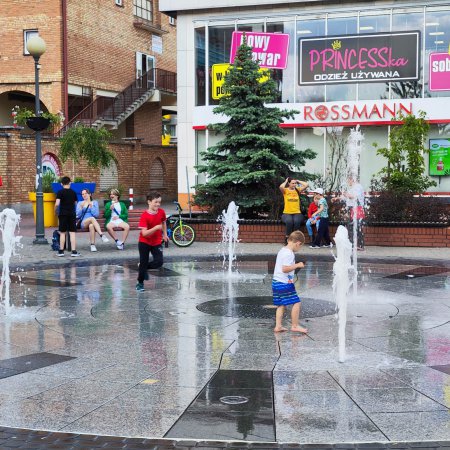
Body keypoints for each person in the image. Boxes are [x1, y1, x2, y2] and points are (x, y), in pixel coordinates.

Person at [272, 230, 308, 333]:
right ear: (298, 243)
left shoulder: (282, 250)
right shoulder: (289, 254)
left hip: (276, 282)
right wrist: (297, 265)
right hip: (284, 283)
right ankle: (295, 325)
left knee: (281, 304)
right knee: (296, 303)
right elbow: (285, 269)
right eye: (300, 246)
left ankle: (278, 326)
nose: (299, 249)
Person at [136, 191, 168, 292]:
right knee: (144, 262)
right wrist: (155, 228)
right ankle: (140, 284)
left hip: (156, 241)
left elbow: (163, 223)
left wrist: (165, 235)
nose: (158, 204)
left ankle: (142, 267)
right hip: (144, 242)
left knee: (159, 262)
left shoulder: (161, 212)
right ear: (149, 202)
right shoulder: (144, 216)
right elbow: (144, 233)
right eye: (155, 202)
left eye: (159, 202)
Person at [332, 176, 365, 250]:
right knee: (351, 227)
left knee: (357, 227)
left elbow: (354, 197)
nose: (348, 182)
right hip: (352, 209)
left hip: (357, 209)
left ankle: (360, 245)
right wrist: (337, 198)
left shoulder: (358, 187)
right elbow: (346, 197)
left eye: (348, 181)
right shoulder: (352, 187)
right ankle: (353, 244)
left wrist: (347, 195)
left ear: (352, 179)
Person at [54, 176, 81, 257]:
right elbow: (76, 204)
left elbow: (57, 204)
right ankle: (74, 251)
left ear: (61, 184)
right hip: (72, 214)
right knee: (72, 233)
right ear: (70, 183)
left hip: (63, 214)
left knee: (62, 233)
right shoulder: (73, 192)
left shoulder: (60, 192)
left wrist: (55, 211)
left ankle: (61, 251)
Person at [279, 177, 308, 243]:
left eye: (295, 183)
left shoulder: (298, 190)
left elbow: (306, 185)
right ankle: (287, 238)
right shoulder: (285, 190)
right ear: (289, 183)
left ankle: (295, 239)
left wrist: (298, 180)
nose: (294, 184)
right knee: (289, 221)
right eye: (292, 183)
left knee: (297, 222)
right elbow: (281, 187)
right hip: (287, 212)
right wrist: (286, 181)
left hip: (297, 212)